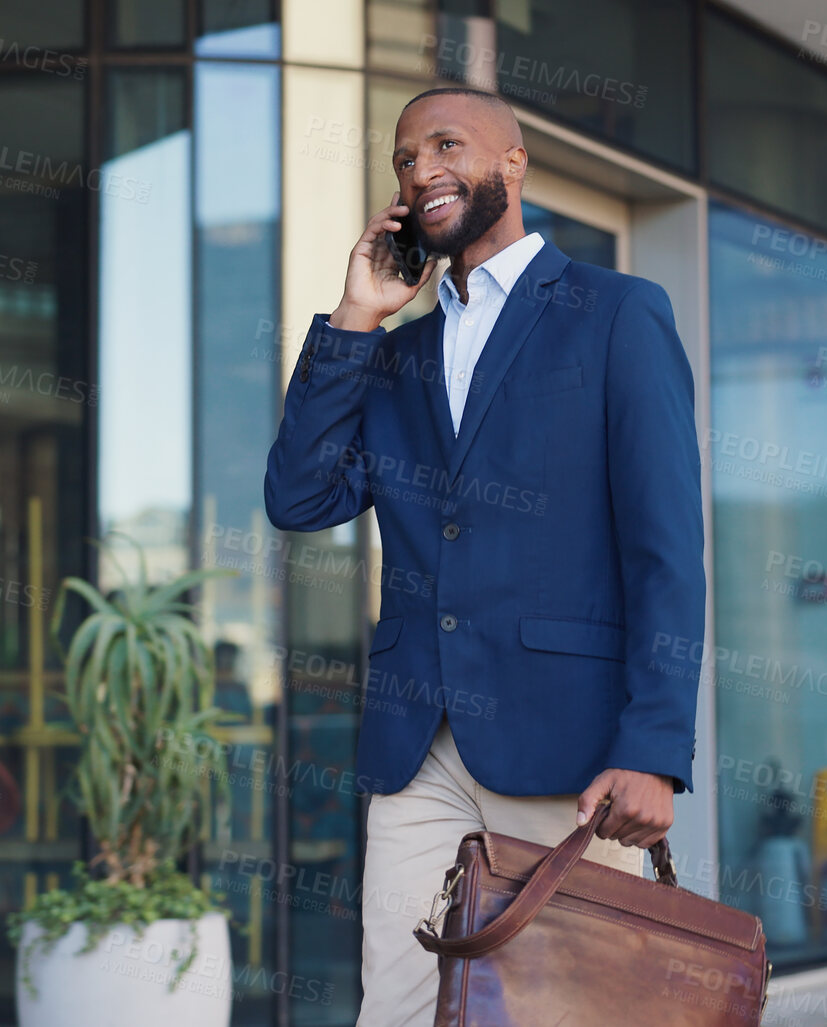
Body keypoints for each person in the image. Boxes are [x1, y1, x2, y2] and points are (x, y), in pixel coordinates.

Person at [262, 86, 705, 1026]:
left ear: (513, 162)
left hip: (568, 750)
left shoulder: (616, 314)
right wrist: (354, 317)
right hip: (417, 744)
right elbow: (299, 497)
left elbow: (665, 546)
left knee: (570, 1008)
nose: (421, 169)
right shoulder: (392, 354)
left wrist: (654, 749)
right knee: (399, 1006)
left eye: (445, 145)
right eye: (404, 158)